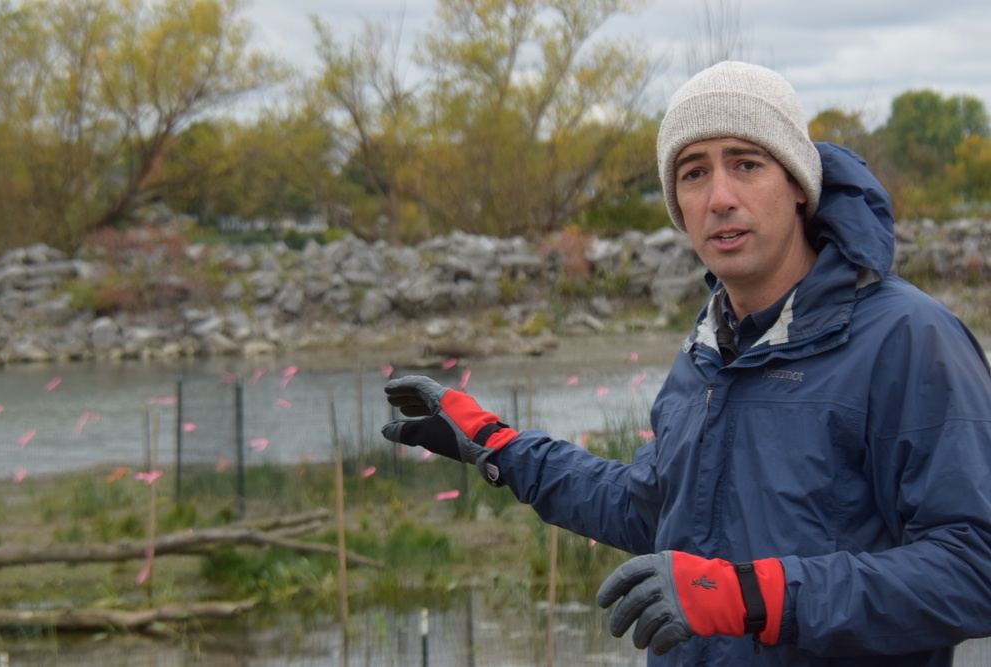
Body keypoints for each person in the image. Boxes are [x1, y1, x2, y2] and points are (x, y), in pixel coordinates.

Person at [380, 61, 991, 666]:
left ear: (800, 182)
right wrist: (498, 447)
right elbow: (653, 509)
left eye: (746, 165)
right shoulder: (709, 348)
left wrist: (755, 598)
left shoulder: (908, 337)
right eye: (694, 173)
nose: (720, 198)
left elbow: (973, 566)